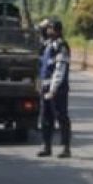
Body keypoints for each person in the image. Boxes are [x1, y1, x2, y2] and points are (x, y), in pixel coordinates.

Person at [37, 18, 71, 158]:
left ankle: (65, 148)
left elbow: (60, 69)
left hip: (57, 90)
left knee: (61, 117)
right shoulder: (47, 45)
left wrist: (53, 88)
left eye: (50, 28)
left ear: (57, 31)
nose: (47, 30)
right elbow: (39, 32)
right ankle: (47, 146)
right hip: (46, 88)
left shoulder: (61, 47)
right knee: (46, 118)